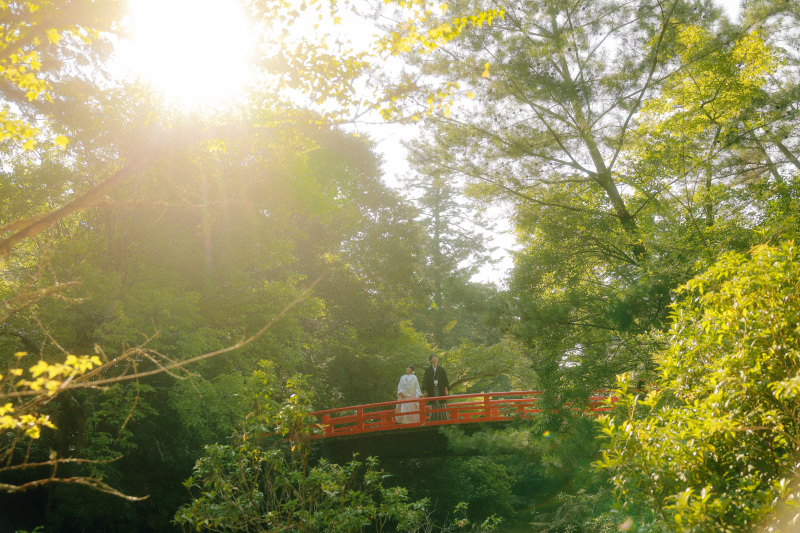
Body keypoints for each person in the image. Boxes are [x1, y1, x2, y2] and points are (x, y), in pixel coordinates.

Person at [422, 353, 449, 421]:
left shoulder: (441, 369)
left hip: (441, 389)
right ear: (430, 360)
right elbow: (425, 381)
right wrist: (425, 391)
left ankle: (444, 419)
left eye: (436, 357)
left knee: (442, 403)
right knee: (433, 404)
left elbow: (445, 380)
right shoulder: (428, 370)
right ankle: (433, 420)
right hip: (432, 389)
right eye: (433, 357)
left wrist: (446, 390)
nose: (435, 358)